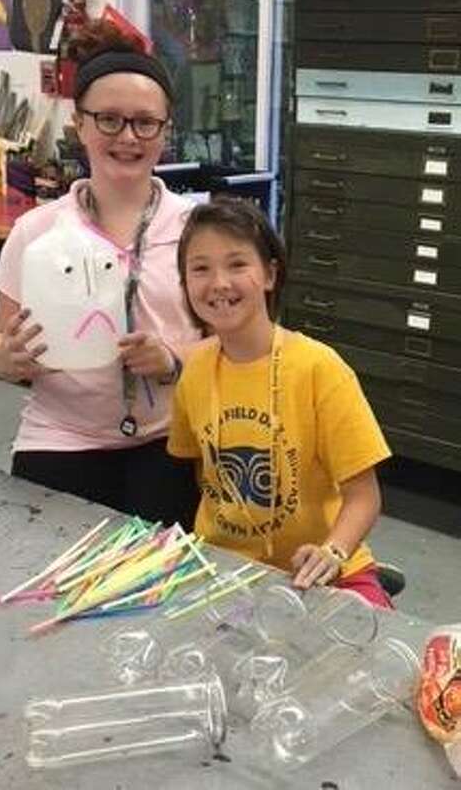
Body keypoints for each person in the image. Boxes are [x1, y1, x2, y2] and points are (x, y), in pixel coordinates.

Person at [0, 20, 201, 529]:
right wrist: (5, 358)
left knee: (163, 591)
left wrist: (172, 358)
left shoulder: (199, 230)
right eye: (109, 120)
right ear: (78, 125)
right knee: (53, 582)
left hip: (169, 439)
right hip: (60, 437)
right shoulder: (35, 232)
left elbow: (235, 347)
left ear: (166, 132)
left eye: (145, 122)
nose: (127, 137)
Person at [167, 198, 394, 608]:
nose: (219, 282)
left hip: (326, 572)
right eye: (200, 268)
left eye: (237, 264)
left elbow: (364, 496)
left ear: (270, 274)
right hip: (224, 570)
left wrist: (333, 552)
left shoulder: (319, 368)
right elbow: (204, 475)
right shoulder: (194, 370)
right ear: (184, 284)